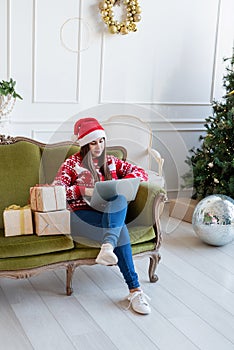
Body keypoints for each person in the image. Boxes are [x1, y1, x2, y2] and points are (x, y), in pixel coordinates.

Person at [53, 117, 151, 315]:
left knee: (120, 200)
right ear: (84, 144)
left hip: (107, 213)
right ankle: (135, 289)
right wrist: (82, 190)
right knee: (120, 229)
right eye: (93, 142)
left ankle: (108, 247)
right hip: (80, 216)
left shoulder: (111, 161)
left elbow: (141, 173)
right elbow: (57, 190)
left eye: (101, 141)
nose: (99, 146)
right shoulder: (72, 164)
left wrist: (125, 183)